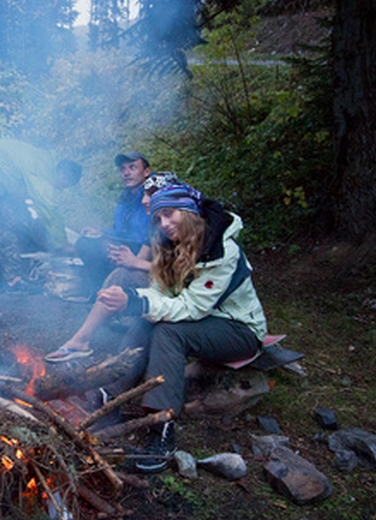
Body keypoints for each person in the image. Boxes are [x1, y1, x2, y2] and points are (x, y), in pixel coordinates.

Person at [96, 183, 267, 473]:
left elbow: (191, 307)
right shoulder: (170, 246)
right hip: (205, 320)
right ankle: (109, 395)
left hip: (240, 329)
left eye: (169, 214)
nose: (164, 223)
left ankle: (162, 430)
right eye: (159, 218)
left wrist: (136, 303)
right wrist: (134, 300)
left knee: (168, 331)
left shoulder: (221, 249)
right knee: (147, 320)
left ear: (188, 210)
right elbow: (161, 294)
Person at [45, 171, 182, 364]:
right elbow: (141, 259)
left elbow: (185, 276)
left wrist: (135, 263)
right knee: (120, 272)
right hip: (164, 283)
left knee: (139, 328)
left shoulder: (185, 223)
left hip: (186, 297)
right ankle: (85, 336)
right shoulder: (157, 223)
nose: (144, 200)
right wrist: (124, 258)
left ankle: (86, 337)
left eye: (150, 194)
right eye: (144, 194)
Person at [0, 135, 82, 289]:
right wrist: (61, 244)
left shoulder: (42, 161)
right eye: (65, 185)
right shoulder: (43, 170)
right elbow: (49, 208)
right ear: (63, 174)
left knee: (11, 222)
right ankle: (8, 279)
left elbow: (21, 207)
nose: (61, 189)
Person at [74, 151, 152, 298]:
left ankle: (107, 293)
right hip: (130, 243)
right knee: (87, 242)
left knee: (94, 246)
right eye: (123, 169)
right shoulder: (125, 197)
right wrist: (101, 233)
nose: (126, 173)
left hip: (149, 249)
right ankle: (99, 290)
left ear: (147, 171)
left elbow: (151, 233)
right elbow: (120, 231)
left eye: (132, 167)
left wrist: (111, 243)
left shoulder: (153, 194)